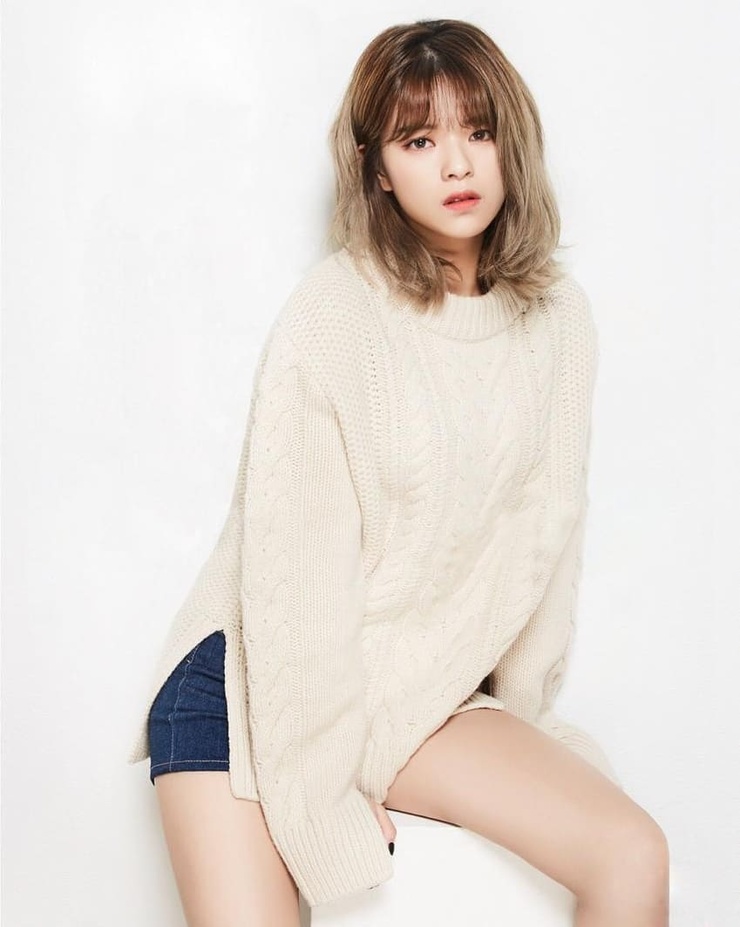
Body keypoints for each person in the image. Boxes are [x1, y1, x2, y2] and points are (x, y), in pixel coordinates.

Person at [127, 18, 669, 926]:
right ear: (376, 168)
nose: (457, 163)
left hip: (413, 690)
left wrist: (525, 722)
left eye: (479, 131)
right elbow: (298, 593)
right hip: (247, 686)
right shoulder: (334, 317)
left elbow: (544, 541)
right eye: (419, 141)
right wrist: (321, 798)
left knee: (630, 849)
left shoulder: (559, 321)